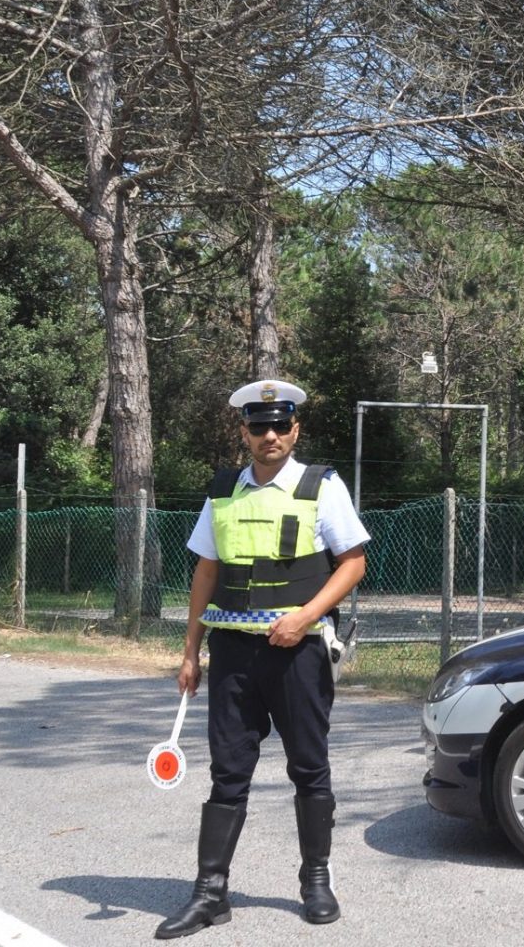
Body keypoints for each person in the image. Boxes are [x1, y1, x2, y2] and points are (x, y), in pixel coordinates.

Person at [156, 379, 369, 939]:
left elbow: (352, 563)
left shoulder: (321, 486)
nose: (269, 435)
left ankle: (316, 880)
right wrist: (190, 653)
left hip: (298, 651)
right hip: (231, 651)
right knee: (228, 771)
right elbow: (205, 571)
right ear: (244, 432)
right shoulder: (224, 490)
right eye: (258, 426)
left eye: (279, 425)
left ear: (295, 429)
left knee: (308, 765)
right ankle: (209, 894)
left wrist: (304, 617)